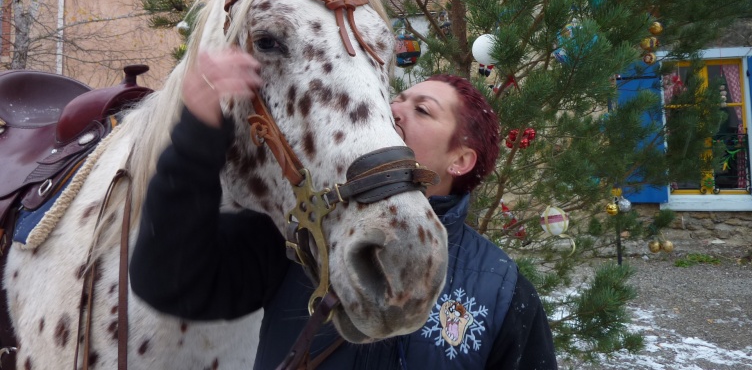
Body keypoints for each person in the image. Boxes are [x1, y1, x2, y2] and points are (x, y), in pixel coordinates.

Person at [130, 48, 558, 369]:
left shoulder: (502, 291)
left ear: (459, 160)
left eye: (422, 110)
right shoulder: (300, 237)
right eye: (399, 97)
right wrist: (197, 138)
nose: (394, 110)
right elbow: (169, 279)